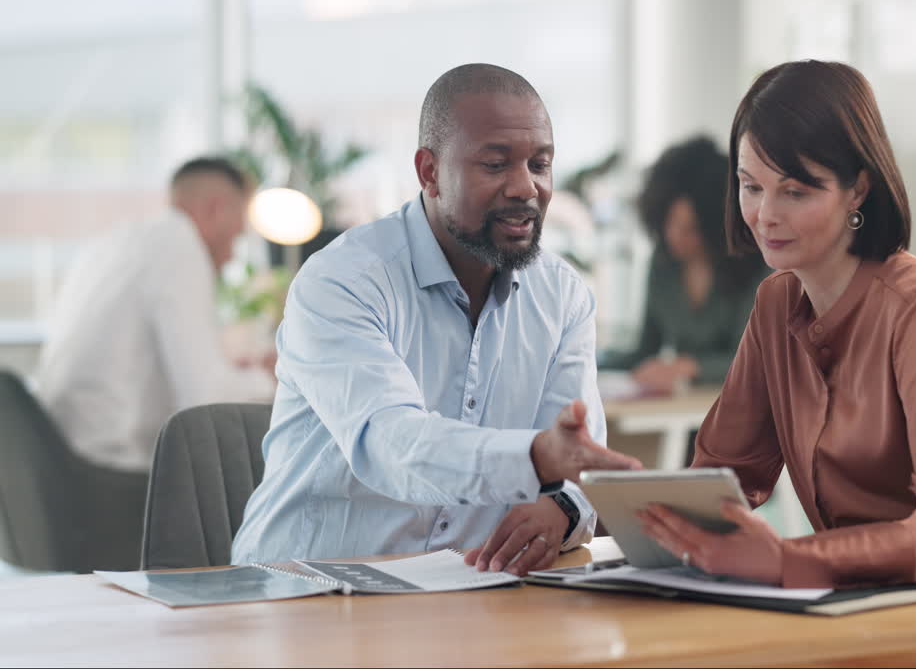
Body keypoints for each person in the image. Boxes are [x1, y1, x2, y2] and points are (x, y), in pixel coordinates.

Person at [636, 60, 916, 668]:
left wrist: (787, 561)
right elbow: (725, 475)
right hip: (874, 589)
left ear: (859, 190)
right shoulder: (775, 304)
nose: (765, 214)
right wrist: (640, 505)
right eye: (750, 185)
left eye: (795, 191)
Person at [232, 64, 641, 574]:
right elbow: (389, 443)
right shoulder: (342, 280)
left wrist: (560, 506)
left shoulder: (563, 295)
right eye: (495, 165)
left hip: (470, 592)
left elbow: (577, 465)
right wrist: (535, 458)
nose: (525, 187)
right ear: (429, 171)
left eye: (539, 164)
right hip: (309, 590)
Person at [35, 157, 275, 473]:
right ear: (213, 209)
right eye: (236, 236)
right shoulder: (180, 247)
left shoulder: (117, 242)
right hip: (111, 471)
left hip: (59, 459)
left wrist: (232, 372)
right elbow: (207, 400)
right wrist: (272, 377)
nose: (232, 256)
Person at [599, 136, 768, 394]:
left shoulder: (758, 267)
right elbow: (645, 351)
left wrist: (689, 366)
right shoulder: (662, 261)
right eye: (667, 224)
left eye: (689, 228)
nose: (673, 237)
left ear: (715, 223)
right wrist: (590, 358)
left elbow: (756, 362)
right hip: (688, 416)